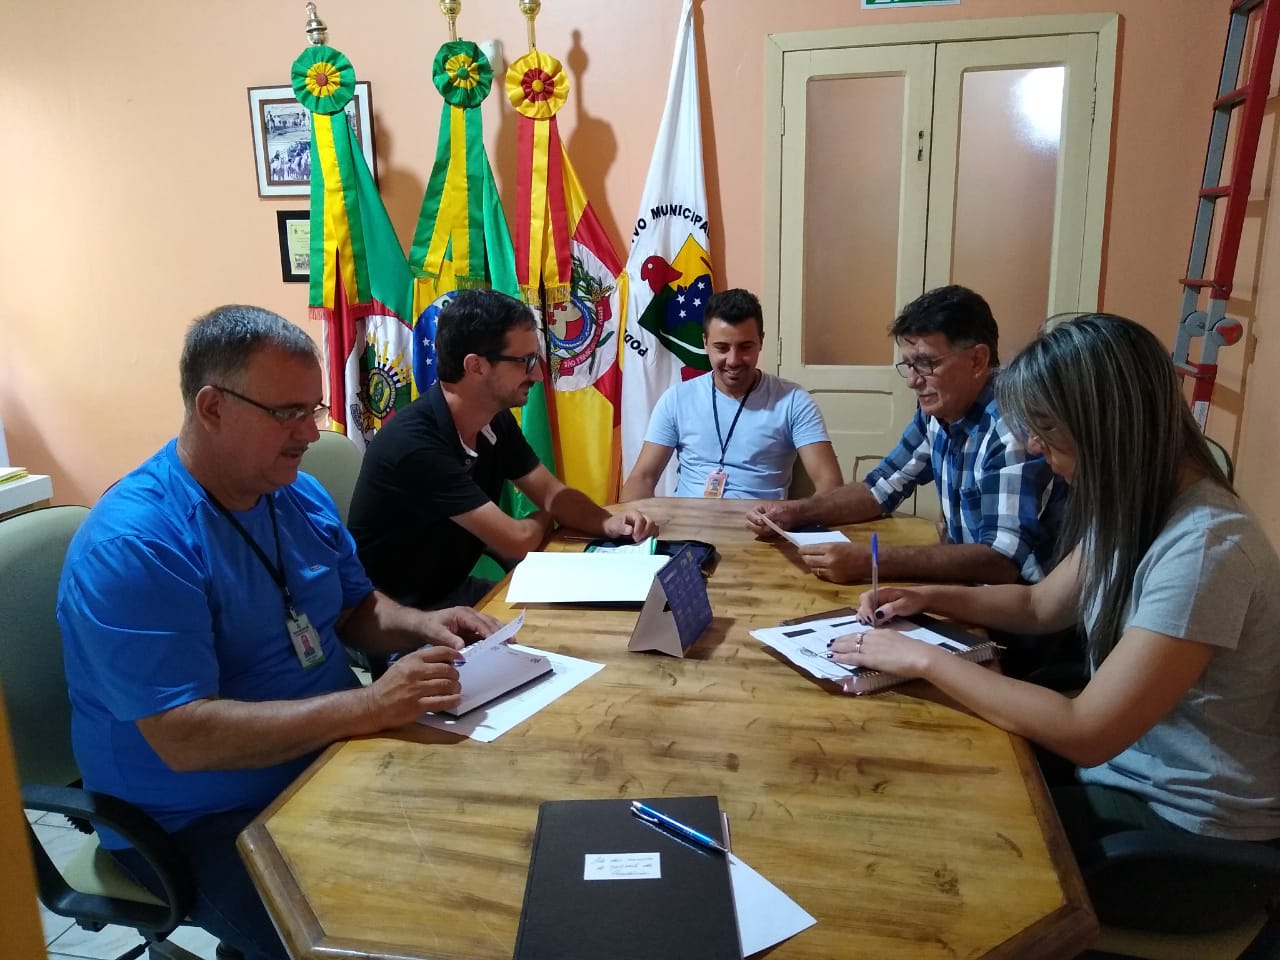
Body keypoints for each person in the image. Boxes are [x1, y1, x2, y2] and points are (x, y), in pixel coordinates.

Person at [57, 305, 501, 960]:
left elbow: (353, 610)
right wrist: (370, 705)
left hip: (327, 758)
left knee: (482, 854)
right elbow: (185, 738)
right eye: (288, 412)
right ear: (212, 407)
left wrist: (422, 624)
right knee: (385, 939)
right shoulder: (135, 546)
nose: (309, 433)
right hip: (196, 818)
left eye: (313, 409)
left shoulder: (294, 493)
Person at [833, 313, 1280, 929]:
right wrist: (924, 596)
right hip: (1126, 778)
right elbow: (1040, 605)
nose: (1037, 449)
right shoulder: (1137, 503)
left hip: (1186, 837)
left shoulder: (1205, 548)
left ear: (1107, 428)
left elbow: (1086, 730)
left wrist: (920, 658)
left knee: (935, 841)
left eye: (1046, 431)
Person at [350, 288, 659, 610]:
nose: (537, 374)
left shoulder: (494, 420)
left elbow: (553, 493)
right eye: (525, 362)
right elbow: (517, 541)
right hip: (399, 616)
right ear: (476, 366)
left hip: (451, 592)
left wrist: (607, 522)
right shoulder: (414, 445)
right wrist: (549, 512)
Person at [747, 285, 1062, 586]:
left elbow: (1001, 561)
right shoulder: (938, 412)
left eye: (926, 364)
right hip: (971, 589)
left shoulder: (1010, 428)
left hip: (1020, 606)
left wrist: (874, 560)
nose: (912, 381)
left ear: (977, 360)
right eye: (909, 365)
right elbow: (879, 489)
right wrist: (794, 512)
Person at [620, 287, 843, 501]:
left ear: (761, 341)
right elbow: (642, 478)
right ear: (705, 342)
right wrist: (630, 521)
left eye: (745, 347)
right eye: (722, 347)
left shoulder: (794, 401)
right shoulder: (676, 399)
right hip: (687, 523)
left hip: (762, 523)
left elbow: (830, 484)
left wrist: (795, 516)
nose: (733, 360)